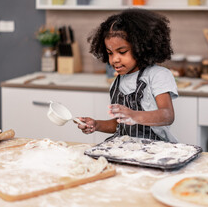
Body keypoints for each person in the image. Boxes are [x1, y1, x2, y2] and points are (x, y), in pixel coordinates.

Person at [76, 8, 178, 142]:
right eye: (110, 53)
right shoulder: (117, 82)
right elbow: (120, 125)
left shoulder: (157, 75)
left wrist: (135, 115)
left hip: (154, 148)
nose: (114, 59)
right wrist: (97, 124)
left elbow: (167, 115)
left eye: (122, 52)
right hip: (124, 147)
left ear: (141, 48)